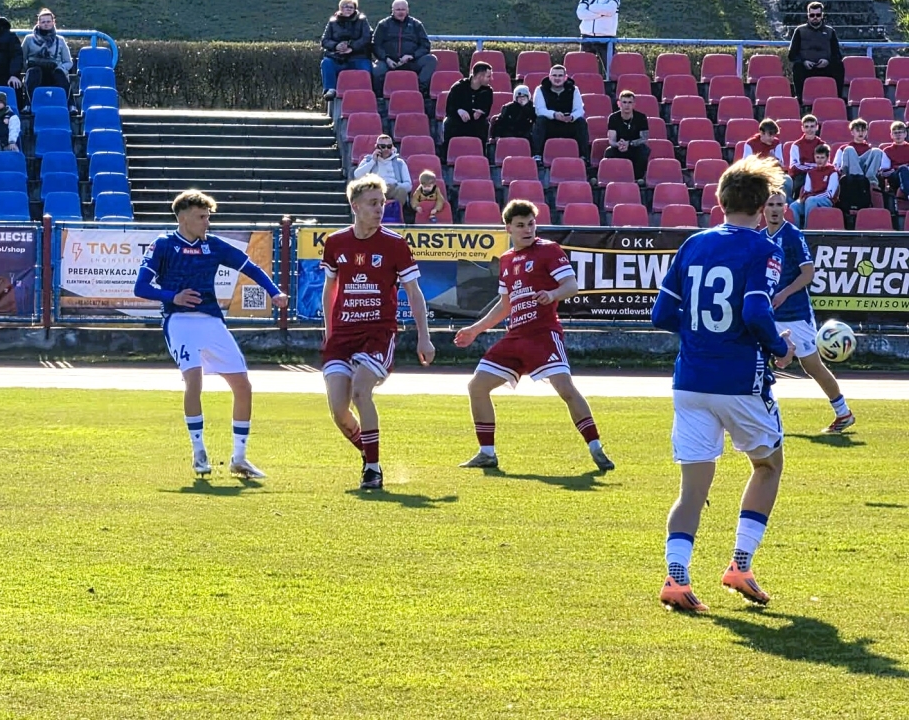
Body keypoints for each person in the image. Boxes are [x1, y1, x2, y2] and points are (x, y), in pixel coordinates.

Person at [651, 155, 797, 613]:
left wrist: (702, 337)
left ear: (720, 201)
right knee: (768, 465)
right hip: (738, 380)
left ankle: (676, 576)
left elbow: (661, 314)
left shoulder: (693, 243)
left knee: (692, 488)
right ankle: (740, 564)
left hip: (691, 380)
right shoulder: (763, 248)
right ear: (762, 207)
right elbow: (755, 311)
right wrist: (780, 346)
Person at [132, 190, 289, 479]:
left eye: (208, 217)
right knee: (194, 380)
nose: (207, 222)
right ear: (183, 218)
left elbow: (250, 267)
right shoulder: (164, 245)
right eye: (201, 217)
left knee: (243, 386)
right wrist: (173, 296)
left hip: (212, 321)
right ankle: (199, 452)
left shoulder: (213, 245)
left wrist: (274, 292)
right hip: (179, 321)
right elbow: (140, 287)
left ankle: (239, 458)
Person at [454, 200, 614, 472]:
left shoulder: (548, 250)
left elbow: (571, 285)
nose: (527, 229)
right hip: (515, 337)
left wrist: (552, 294)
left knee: (565, 389)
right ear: (508, 228)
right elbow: (505, 305)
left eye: (531, 224)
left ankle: (596, 447)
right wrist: (475, 329)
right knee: (477, 386)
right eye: (520, 225)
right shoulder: (506, 260)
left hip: (543, 334)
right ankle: (487, 453)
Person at [321, 174, 435, 490]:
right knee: (339, 411)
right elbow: (330, 288)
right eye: (373, 203)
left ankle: (372, 469)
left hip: (378, 334)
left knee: (361, 392)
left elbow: (414, 292)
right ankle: (368, 453)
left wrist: (424, 336)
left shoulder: (394, 244)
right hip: (342, 336)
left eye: (382, 203)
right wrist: (329, 330)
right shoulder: (336, 242)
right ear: (355, 206)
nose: (379, 209)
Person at [763, 191, 855, 433]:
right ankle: (758, 418)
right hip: (768, 314)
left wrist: (784, 294)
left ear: (786, 208)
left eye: (779, 204)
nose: (775, 209)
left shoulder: (793, 235)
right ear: (763, 208)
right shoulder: (760, 237)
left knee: (812, 366)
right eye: (770, 204)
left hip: (795, 315)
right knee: (754, 360)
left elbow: (808, 274)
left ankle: (843, 412)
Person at [371, 0, 438, 97]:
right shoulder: (383, 25)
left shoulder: (416, 25)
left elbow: (425, 45)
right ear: (392, 10)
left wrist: (412, 56)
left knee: (431, 60)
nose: (400, 12)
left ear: (407, 10)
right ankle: (379, 98)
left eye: (403, 9)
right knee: (377, 71)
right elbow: (376, 45)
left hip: (411, 61)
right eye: (398, 9)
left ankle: (420, 93)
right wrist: (386, 58)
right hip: (388, 62)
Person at [788, 2, 844, 103]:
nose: (815, 17)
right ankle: (800, 98)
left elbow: (837, 54)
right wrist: (804, 61)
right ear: (808, 15)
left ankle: (838, 97)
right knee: (797, 66)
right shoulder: (800, 31)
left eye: (818, 15)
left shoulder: (830, 31)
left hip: (825, 67)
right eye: (812, 15)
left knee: (838, 65)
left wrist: (827, 61)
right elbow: (792, 55)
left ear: (822, 15)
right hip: (806, 68)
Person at [21, 8, 75, 113]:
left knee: (60, 74)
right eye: (43, 22)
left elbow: (68, 62)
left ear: (53, 22)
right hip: (35, 71)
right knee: (33, 72)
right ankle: (28, 104)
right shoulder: (29, 39)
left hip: (54, 70)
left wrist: (61, 68)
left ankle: (71, 105)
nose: (46, 24)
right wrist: (27, 67)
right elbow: (22, 58)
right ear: (38, 23)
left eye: (48, 21)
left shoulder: (60, 40)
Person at [320, 0, 373, 99]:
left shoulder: (362, 21)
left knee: (366, 69)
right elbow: (324, 40)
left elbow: (367, 37)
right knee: (326, 63)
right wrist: (336, 46)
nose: (348, 9)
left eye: (351, 7)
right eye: (345, 6)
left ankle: (365, 95)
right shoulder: (332, 22)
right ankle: (330, 90)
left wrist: (352, 47)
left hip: (358, 56)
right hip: (337, 57)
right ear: (340, 8)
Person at [532, 64, 590, 160]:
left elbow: (579, 109)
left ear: (565, 77)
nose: (557, 78)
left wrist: (571, 117)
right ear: (549, 77)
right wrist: (554, 115)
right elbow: (540, 110)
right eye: (554, 75)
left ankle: (584, 157)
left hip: (568, 124)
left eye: (560, 75)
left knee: (581, 122)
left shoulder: (574, 90)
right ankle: (537, 155)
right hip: (550, 125)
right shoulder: (540, 90)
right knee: (540, 120)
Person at [576, 0, 621, 70]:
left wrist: (591, 7)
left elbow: (610, 10)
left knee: (610, 71)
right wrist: (601, 13)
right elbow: (580, 13)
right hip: (586, 37)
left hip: (606, 38)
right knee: (583, 71)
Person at [442, 63, 494, 155]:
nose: (491, 79)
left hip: (476, 122)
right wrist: (459, 111)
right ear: (479, 76)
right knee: (449, 123)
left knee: (484, 124)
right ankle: (447, 155)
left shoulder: (488, 91)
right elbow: (449, 108)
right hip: (458, 120)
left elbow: (486, 109)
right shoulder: (458, 87)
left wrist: (481, 112)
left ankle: (482, 155)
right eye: (488, 76)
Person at [741, 119, 794, 200]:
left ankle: (786, 202)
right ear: (761, 133)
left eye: (774, 135)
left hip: (774, 174)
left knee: (788, 180)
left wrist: (774, 159)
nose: (772, 138)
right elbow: (747, 166)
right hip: (756, 175)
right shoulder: (750, 144)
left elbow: (780, 163)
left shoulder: (776, 143)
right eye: (770, 135)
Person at [353, 134, 412, 206]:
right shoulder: (368, 160)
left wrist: (396, 185)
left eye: (389, 146)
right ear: (377, 147)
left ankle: (393, 211)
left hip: (393, 189)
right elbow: (357, 175)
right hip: (375, 190)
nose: (386, 149)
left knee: (402, 191)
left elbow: (408, 185)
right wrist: (373, 161)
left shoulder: (400, 163)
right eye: (383, 146)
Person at [604, 89, 650, 180]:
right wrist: (618, 144)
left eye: (630, 102)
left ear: (634, 104)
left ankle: (638, 178)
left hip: (634, 147)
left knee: (644, 149)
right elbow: (611, 140)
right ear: (619, 104)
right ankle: (611, 178)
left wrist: (629, 143)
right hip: (619, 147)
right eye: (624, 102)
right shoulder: (613, 118)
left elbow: (644, 139)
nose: (627, 105)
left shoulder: (641, 117)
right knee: (609, 151)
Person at [790, 144, 838, 228]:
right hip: (811, 199)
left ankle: (807, 230)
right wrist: (804, 197)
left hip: (826, 200)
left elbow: (830, 194)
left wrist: (812, 197)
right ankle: (796, 230)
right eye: (817, 157)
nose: (819, 160)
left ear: (827, 158)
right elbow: (807, 190)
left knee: (810, 200)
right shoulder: (811, 172)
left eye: (822, 158)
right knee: (794, 206)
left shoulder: (833, 172)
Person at [832, 118, 889, 185]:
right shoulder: (843, 148)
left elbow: (884, 167)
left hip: (866, 177)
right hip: (851, 178)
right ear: (852, 132)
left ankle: (871, 181)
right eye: (858, 130)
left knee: (877, 151)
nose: (861, 133)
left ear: (866, 132)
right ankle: (858, 179)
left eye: (863, 130)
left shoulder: (870, 150)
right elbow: (836, 165)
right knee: (849, 149)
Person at [786, 114, 821, 196]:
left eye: (812, 126)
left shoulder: (822, 145)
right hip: (801, 176)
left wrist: (807, 166)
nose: (809, 129)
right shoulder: (796, 145)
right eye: (806, 127)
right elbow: (794, 165)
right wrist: (811, 167)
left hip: (818, 175)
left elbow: (824, 164)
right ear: (802, 128)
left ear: (817, 127)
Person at [878, 120, 909, 200]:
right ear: (891, 135)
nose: (898, 135)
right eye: (895, 133)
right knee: (903, 169)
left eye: (900, 132)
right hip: (895, 178)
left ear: (905, 134)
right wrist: (898, 168)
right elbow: (884, 173)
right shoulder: (887, 151)